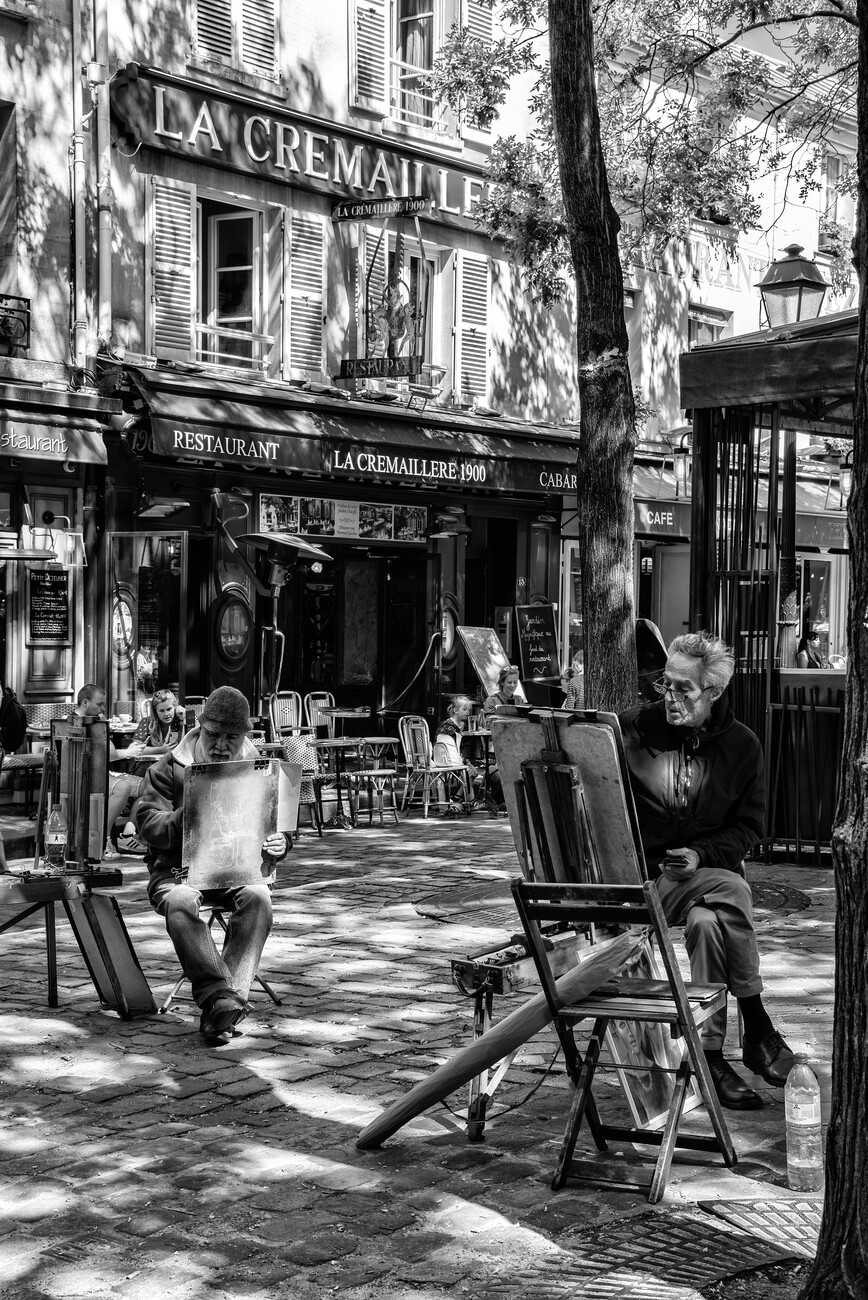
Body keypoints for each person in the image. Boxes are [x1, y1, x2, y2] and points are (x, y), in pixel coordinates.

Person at [619, 630, 795, 1111]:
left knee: (707, 923)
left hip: (703, 875)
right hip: (649, 882)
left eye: (684, 689)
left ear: (714, 692)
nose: (670, 697)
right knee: (734, 887)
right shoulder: (632, 731)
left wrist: (700, 855)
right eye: (665, 684)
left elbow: (749, 827)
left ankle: (711, 1056)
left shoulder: (743, 746)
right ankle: (757, 1024)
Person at [135, 686, 288, 1046]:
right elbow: (146, 824)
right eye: (213, 735)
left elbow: (279, 823)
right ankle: (223, 997)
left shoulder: (260, 770)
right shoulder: (168, 768)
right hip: (178, 871)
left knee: (258, 899)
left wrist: (281, 844)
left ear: (244, 736)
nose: (221, 745)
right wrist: (186, 816)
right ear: (200, 729)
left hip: (238, 870)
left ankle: (220, 1005)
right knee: (180, 901)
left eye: (231, 738)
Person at [68, 685, 147, 862]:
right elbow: (102, 756)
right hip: (85, 776)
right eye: (100, 704)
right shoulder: (73, 722)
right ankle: (103, 841)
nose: (103, 708)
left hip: (104, 773)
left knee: (149, 786)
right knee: (123, 787)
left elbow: (109, 751)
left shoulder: (97, 720)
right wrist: (127, 753)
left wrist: (104, 726)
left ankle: (127, 836)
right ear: (86, 702)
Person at [434, 696, 503, 810]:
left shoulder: (460, 724)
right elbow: (450, 746)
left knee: (473, 772)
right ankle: (470, 800)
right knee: (470, 771)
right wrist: (462, 759)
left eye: (469, 710)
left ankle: (458, 796)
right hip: (447, 758)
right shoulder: (448, 727)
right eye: (465, 709)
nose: (468, 712)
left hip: (453, 756)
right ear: (456, 710)